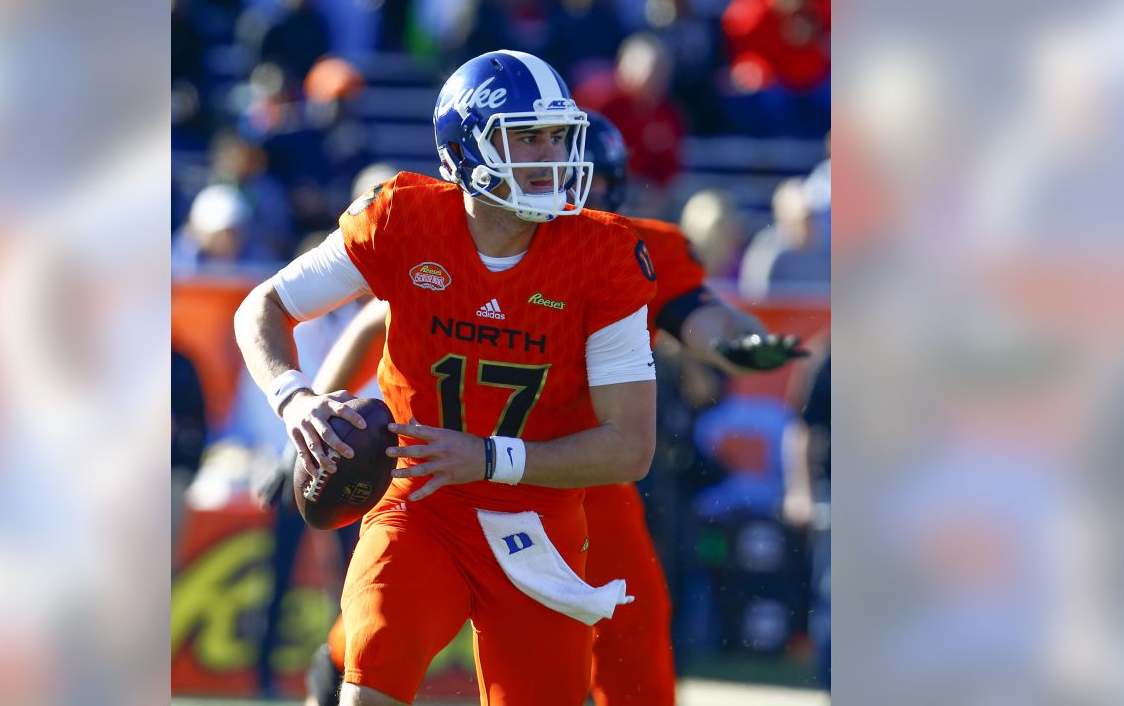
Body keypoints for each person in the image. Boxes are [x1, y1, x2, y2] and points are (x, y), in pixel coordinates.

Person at [297, 111, 809, 706]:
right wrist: (315, 427)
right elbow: (375, 322)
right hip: (461, 458)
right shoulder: (478, 233)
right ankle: (339, 668)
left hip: (586, 464)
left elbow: (701, 317)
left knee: (631, 621)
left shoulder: (620, 248)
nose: (559, 181)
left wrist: (739, 346)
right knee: (382, 618)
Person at [234, 51, 660, 706]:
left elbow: (629, 447)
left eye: (555, 135)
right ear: (467, 149)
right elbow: (261, 306)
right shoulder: (403, 219)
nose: (551, 154)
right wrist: (294, 399)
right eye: (526, 136)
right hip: (421, 502)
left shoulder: (602, 256)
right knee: (372, 669)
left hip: (538, 522)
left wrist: (490, 457)